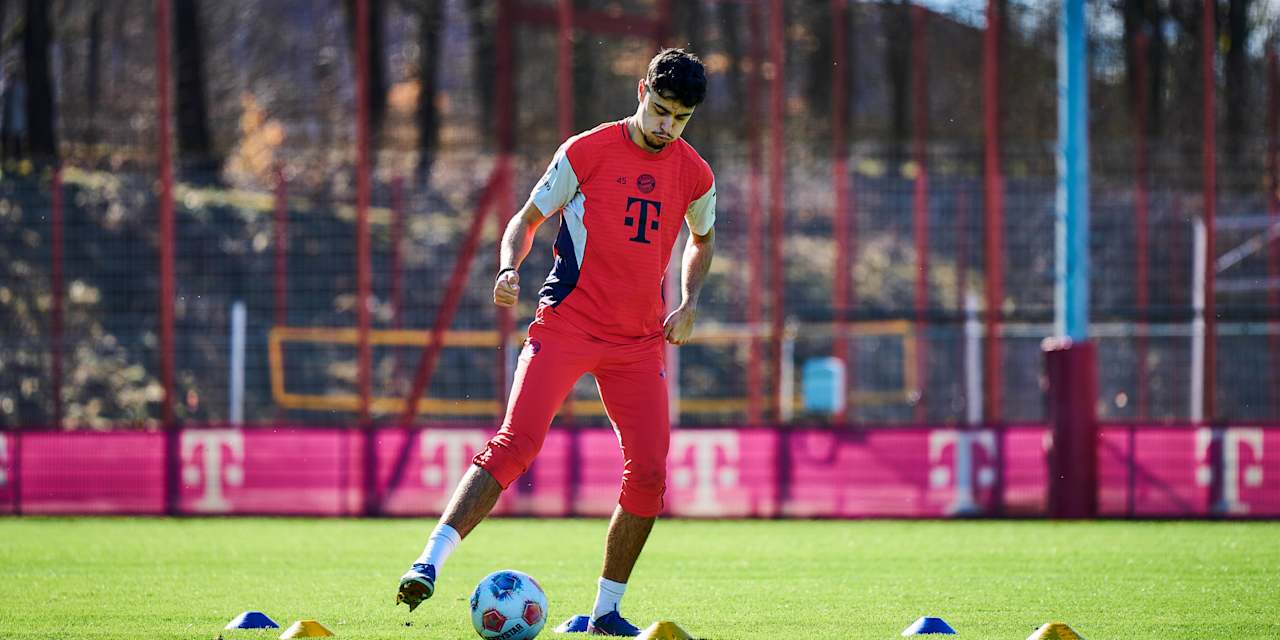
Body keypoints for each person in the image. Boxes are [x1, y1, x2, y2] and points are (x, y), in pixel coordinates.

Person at [395, 48, 716, 636]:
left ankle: (605, 614)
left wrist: (690, 301)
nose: (668, 126)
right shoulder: (585, 150)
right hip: (566, 323)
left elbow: (702, 237)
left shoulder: (695, 172)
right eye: (661, 110)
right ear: (642, 90)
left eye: (681, 118)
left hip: (639, 342)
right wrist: (507, 267)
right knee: (515, 444)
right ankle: (428, 562)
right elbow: (525, 219)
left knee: (648, 473)